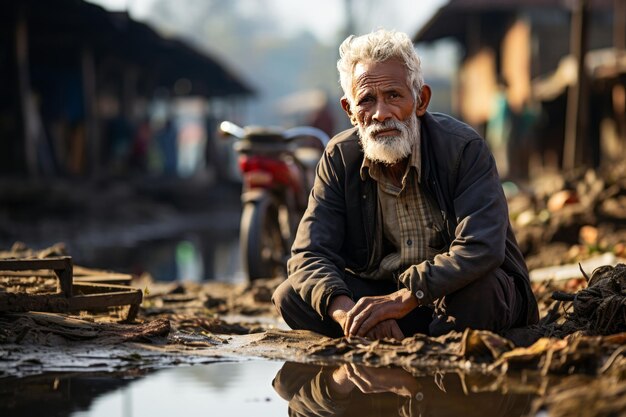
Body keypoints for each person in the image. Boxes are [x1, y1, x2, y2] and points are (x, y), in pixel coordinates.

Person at [272, 29, 539, 340]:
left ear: (420, 100)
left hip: (454, 298)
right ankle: (389, 336)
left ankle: (428, 343)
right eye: (367, 100)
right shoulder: (338, 158)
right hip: (387, 302)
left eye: (394, 96)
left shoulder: (463, 149)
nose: (381, 113)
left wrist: (402, 299)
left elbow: (480, 247)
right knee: (290, 295)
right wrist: (351, 315)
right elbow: (308, 255)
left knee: (483, 288)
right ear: (350, 112)